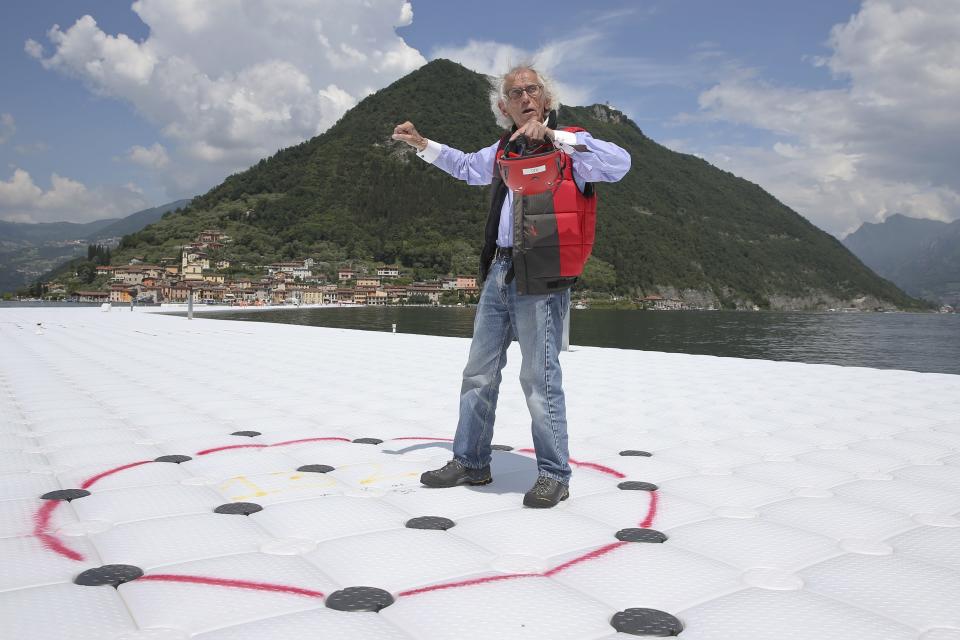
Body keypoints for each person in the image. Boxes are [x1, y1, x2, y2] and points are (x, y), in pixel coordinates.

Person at [392, 64, 630, 507]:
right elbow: (465, 167)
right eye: (515, 92)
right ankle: (470, 461)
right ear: (504, 106)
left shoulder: (571, 149)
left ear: (546, 98)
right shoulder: (504, 149)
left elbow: (620, 164)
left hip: (542, 274)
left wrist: (557, 138)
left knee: (539, 377)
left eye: (532, 89)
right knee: (478, 373)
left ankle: (554, 474)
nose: (524, 96)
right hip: (500, 271)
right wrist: (422, 144)